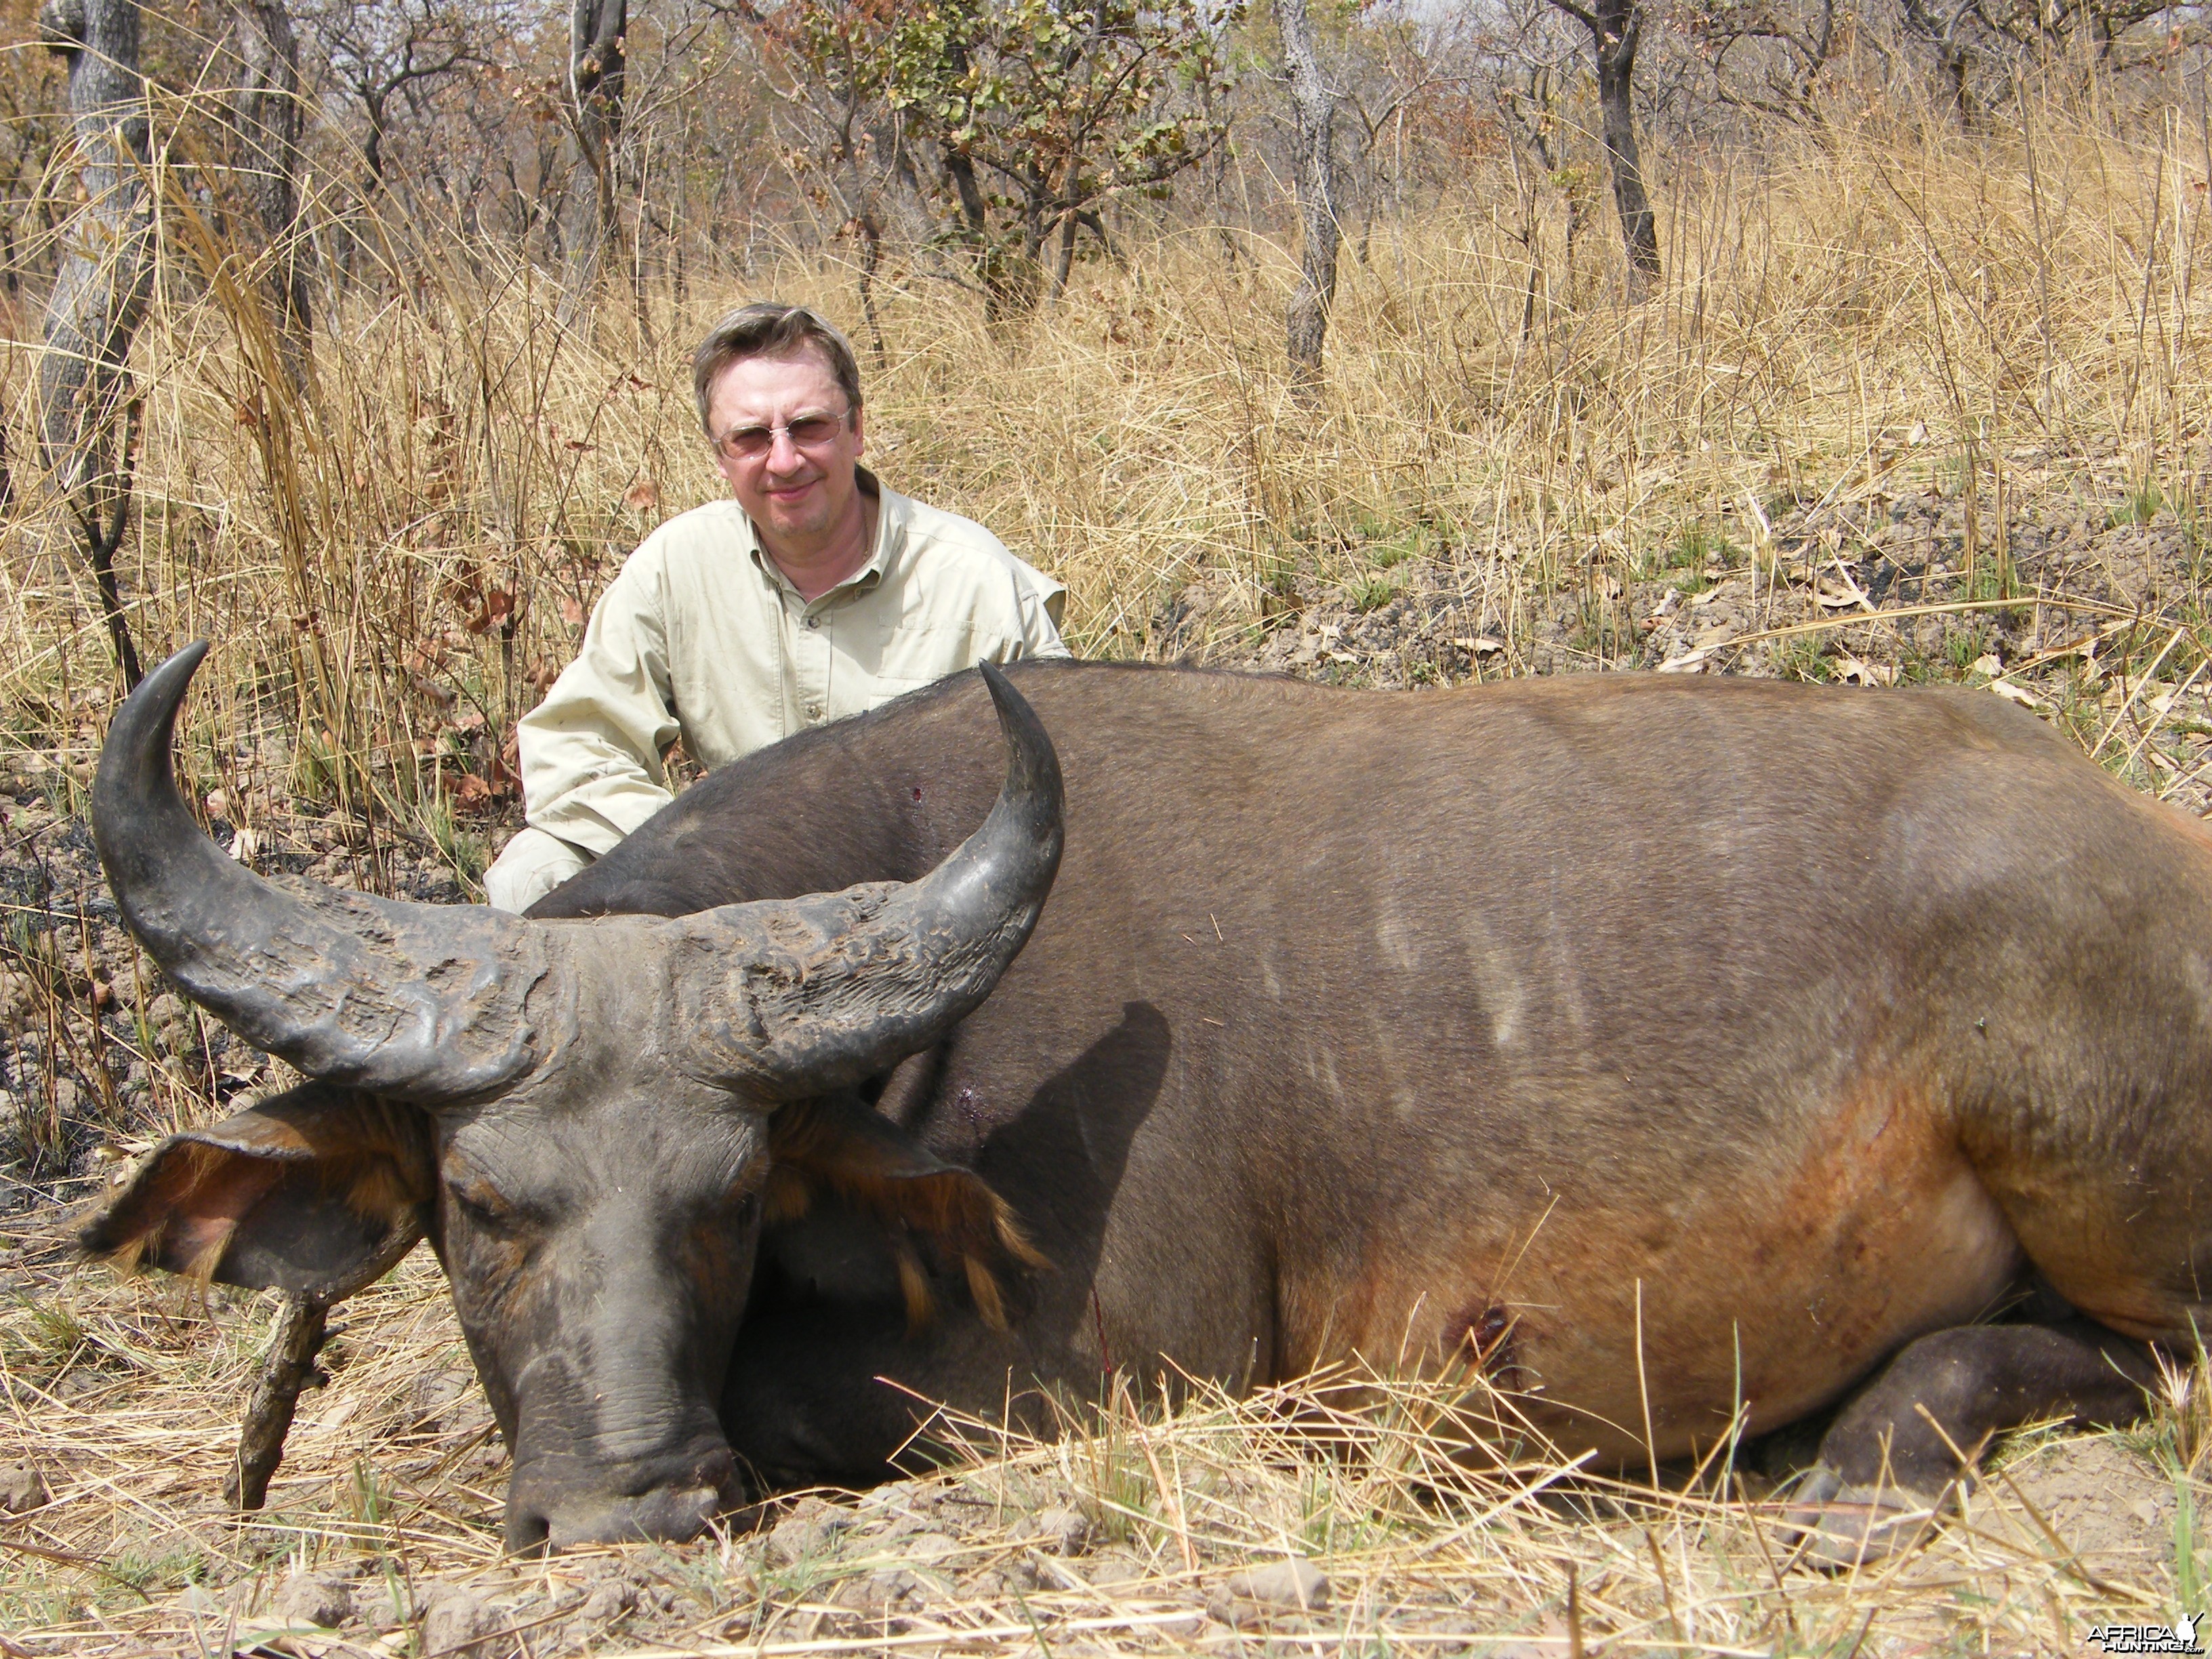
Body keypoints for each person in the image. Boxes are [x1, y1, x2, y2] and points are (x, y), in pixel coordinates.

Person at [483, 302, 1070, 912]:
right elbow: (574, 748)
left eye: (810, 426)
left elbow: (1068, 773)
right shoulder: (673, 565)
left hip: (918, 894)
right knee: (530, 872)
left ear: (858, 429)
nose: (785, 461)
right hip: (725, 898)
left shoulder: (979, 577)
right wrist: (701, 855)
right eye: (751, 437)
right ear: (720, 455)